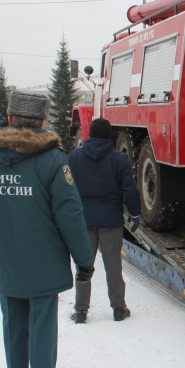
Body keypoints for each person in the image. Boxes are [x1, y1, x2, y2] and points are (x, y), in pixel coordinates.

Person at [0, 91, 95, 368]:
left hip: (5, 264)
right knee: (41, 334)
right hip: (44, 264)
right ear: (41, 122)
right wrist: (84, 259)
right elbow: (70, 213)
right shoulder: (52, 159)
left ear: (9, 119)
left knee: (14, 333)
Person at [67, 118, 141, 324]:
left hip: (83, 221)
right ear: (109, 135)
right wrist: (135, 213)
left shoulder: (74, 157)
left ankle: (81, 311)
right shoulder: (118, 159)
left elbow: (66, 189)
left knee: (84, 265)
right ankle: (119, 308)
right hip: (110, 220)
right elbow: (129, 189)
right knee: (113, 265)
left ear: (89, 134)